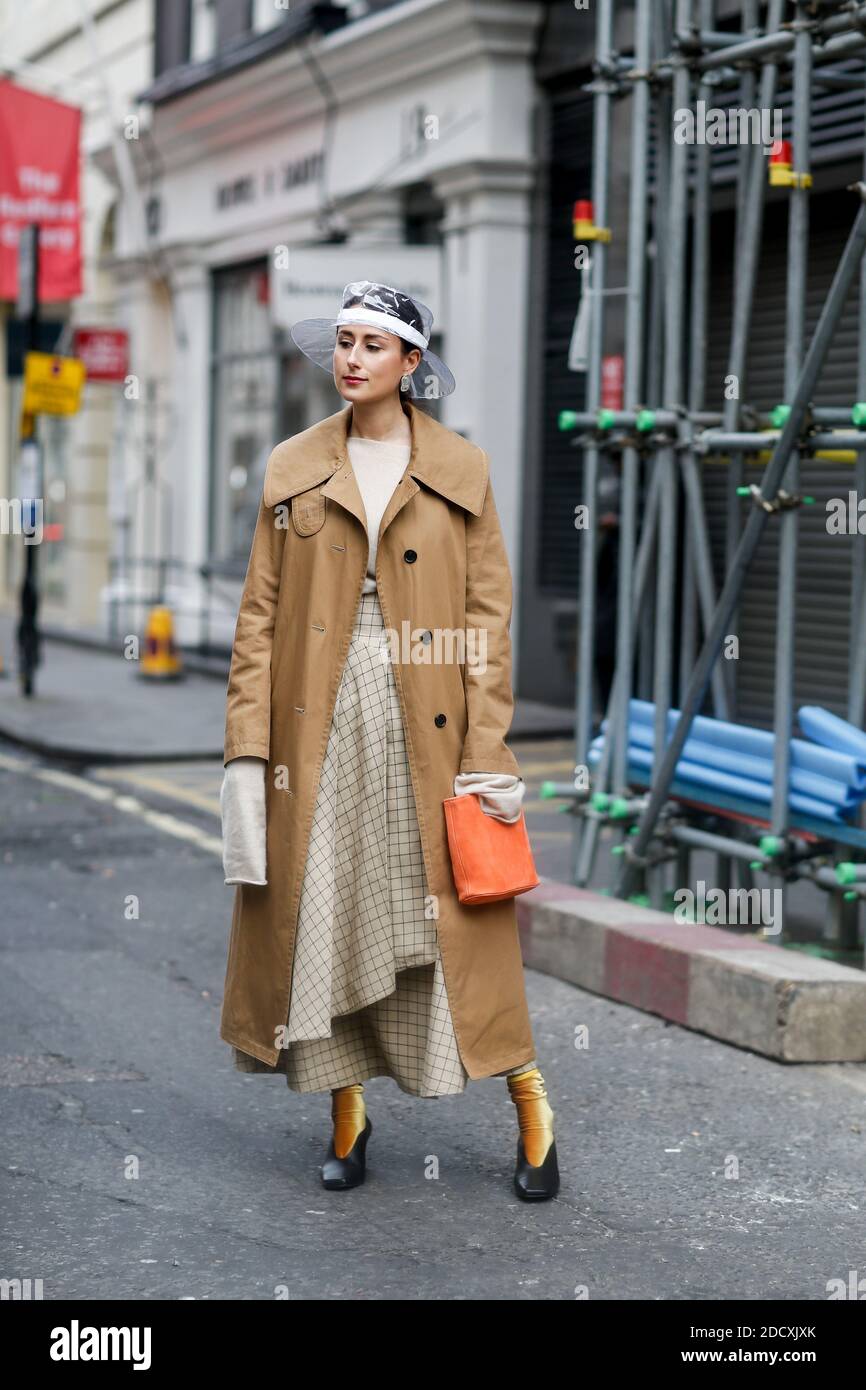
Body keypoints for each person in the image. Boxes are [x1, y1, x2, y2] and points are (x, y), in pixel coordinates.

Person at [219, 280, 559, 1200]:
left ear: (413, 364)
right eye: (343, 340)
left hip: (431, 730)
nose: (352, 357)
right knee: (321, 914)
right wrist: (246, 749)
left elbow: (487, 627)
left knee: (457, 925)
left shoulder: (461, 469)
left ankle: (531, 1104)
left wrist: (489, 754)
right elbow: (260, 617)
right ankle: (347, 1112)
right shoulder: (293, 465)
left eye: (374, 343)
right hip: (315, 725)